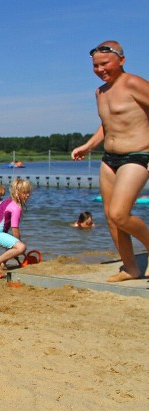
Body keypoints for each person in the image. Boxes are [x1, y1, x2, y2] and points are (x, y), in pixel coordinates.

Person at [71, 41, 149, 282]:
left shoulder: (134, 83)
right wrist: (89, 145)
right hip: (109, 159)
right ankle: (131, 268)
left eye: (105, 64)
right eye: (95, 65)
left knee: (119, 214)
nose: (100, 69)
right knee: (110, 216)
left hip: (137, 155)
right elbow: (108, 124)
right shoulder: (100, 92)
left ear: (121, 60)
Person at [0, 178, 32, 273]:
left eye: (28, 192)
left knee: (13, 244)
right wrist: (20, 248)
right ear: (17, 192)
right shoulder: (16, 207)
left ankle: (3, 262)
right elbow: (15, 229)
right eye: (24, 192)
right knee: (21, 247)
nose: (28, 195)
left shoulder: (4, 201)